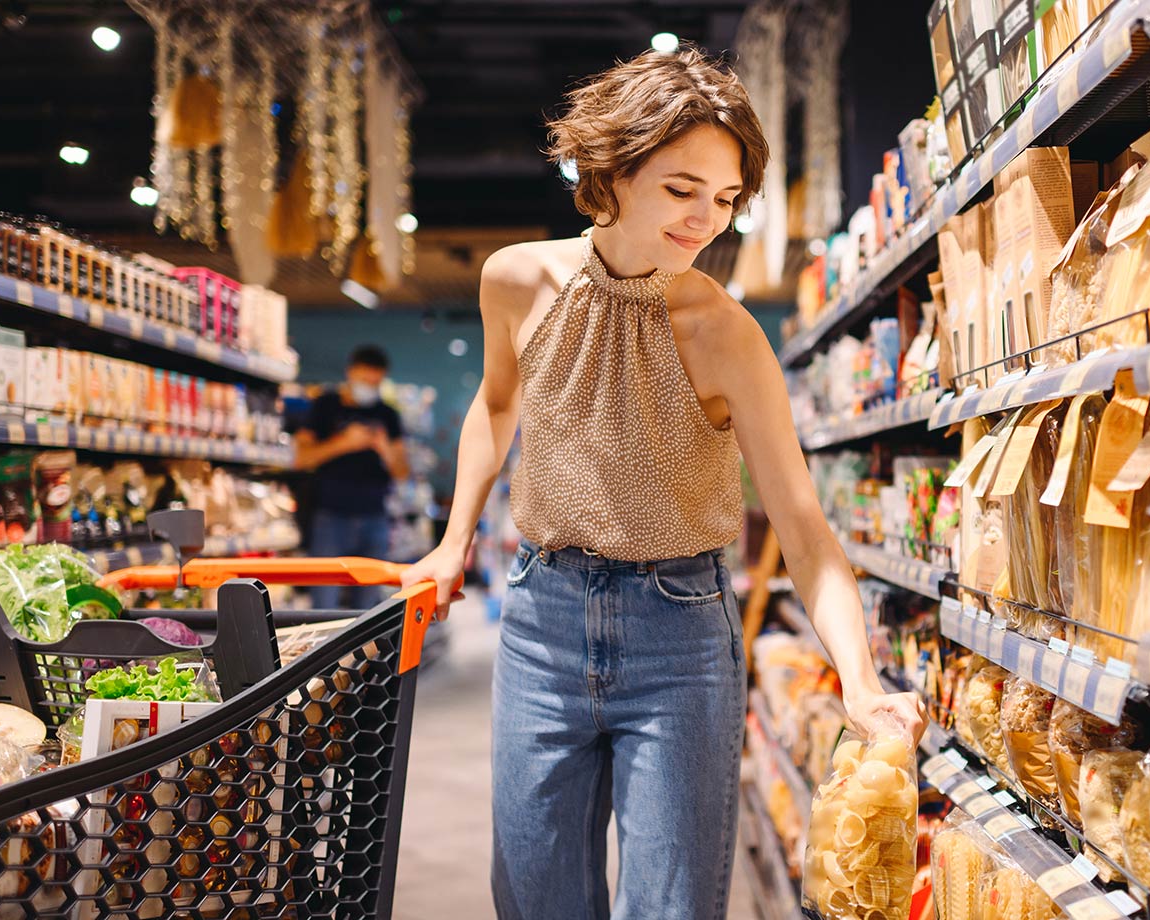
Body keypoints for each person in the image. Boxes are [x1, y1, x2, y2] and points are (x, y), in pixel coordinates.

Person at [401, 48, 925, 919]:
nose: (704, 222)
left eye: (724, 201)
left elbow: (802, 524)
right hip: (541, 621)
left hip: (678, 634)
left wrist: (862, 681)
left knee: (672, 907)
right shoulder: (516, 279)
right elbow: (496, 408)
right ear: (612, 171)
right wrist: (454, 538)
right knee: (533, 896)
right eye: (682, 190)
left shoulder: (727, 335)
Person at [294, 344, 409, 610]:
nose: (370, 386)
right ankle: (324, 651)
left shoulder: (387, 415)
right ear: (350, 373)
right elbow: (302, 458)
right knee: (324, 600)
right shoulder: (324, 405)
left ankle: (364, 652)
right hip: (330, 516)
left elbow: (402, 472)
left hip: (375, 517)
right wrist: (344, 443)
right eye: (364, 380)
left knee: (368, 605)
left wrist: (385, 449)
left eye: (375, 382)